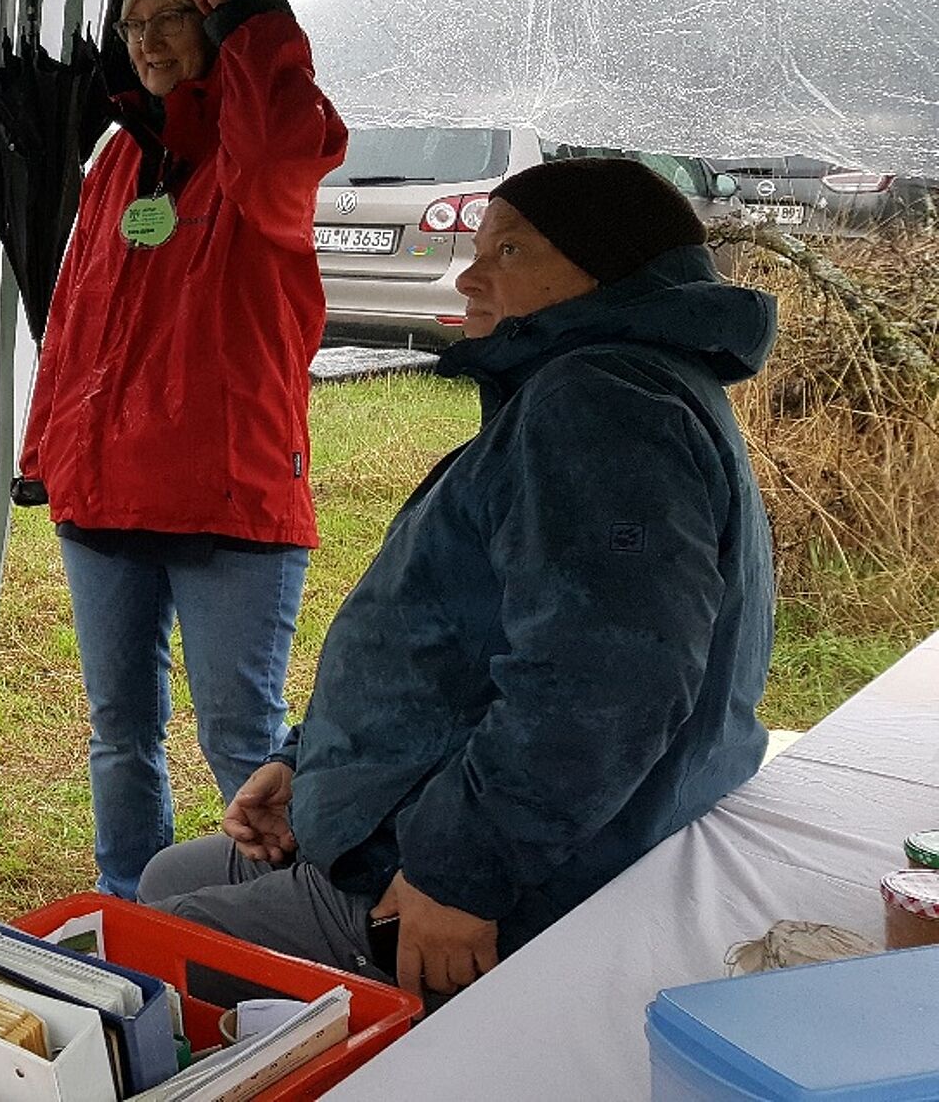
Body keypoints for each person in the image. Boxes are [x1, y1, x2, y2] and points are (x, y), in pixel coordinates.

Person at [139, 157, 777, 1001]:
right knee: (162, 877)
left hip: (493, 868)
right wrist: (308, 763)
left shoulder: (602, 406)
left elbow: (606, 685)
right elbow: (463, 635)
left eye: (508, 252)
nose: (471, 274)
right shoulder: (608, 382)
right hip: (414, 793)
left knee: (138, 954)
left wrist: (460, 873)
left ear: (607, 270)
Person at [18, 0, 347, 898]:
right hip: (105, 496)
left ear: (220, 20)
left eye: (174, 16)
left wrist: (254, 22)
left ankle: (280, 915)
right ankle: (133, 905)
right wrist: (52, 458)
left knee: (241, 738)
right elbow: (77, 321)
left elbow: (278, 143)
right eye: (131, 24)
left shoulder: (266, 153)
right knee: (118, 731)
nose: (149, 39)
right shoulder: (122, 161)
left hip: (225, 502)